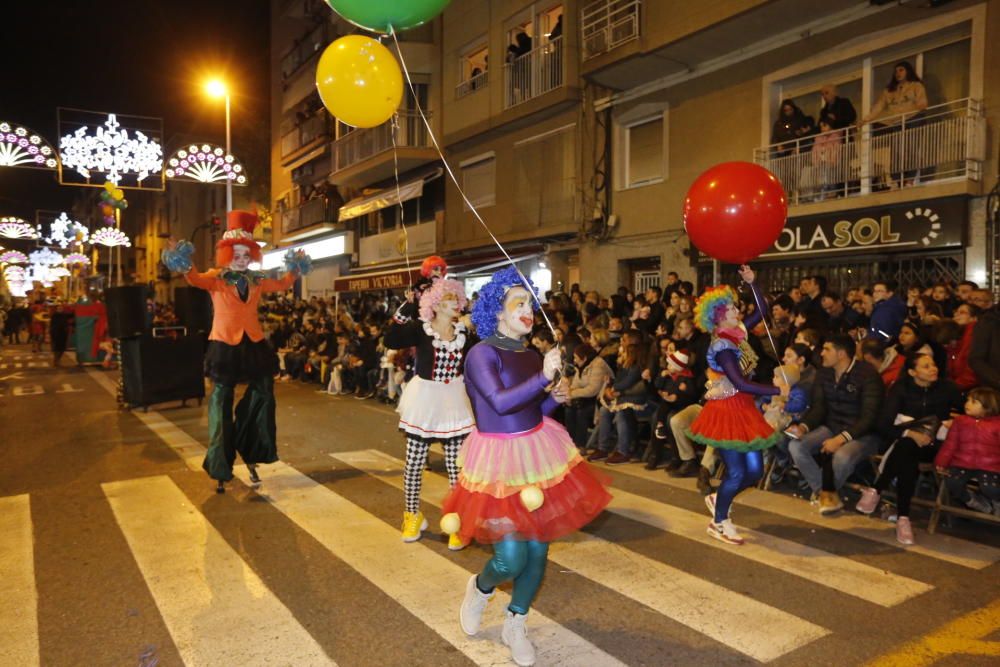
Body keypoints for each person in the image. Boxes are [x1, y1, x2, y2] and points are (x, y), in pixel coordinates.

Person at [442, 267, 611, 667]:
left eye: (529, 303)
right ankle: (481, 588)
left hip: (537, 454)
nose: (527, 310)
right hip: (497, 462)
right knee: (510, 559)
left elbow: (533, 409)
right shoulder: (481, 354)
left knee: (537, 551)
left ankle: (515, 621)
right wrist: (544, 379)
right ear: (496, 313)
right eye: (517, 304)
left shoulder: (532, 354)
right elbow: (500, 404)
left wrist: (556, 396)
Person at [160, 210, 308, 493]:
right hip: (224, 346)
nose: (241, 258)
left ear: (251, 254)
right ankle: (220, 465)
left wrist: (295, 269)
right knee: (220, 404)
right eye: (236, 253)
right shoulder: (217, 278)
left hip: (252, 344)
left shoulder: (256, 279)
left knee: (264, 395)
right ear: (228, 254)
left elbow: (282, 284)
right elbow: (195, 279)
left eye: (245, 253)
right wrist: (184, 263)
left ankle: (251, 447)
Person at [686, 266, 788, 545]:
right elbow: (741, 384)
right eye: (731, 309)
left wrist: (754, 283)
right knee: (738, 472)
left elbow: (763, 308)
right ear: (718, 316)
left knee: (753, 471)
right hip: (726, 412)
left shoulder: (737, 332)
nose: (737, 311)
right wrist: (777, 388)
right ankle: (719, 522)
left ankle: (719, 497)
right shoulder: (723, 346)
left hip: (744, 408)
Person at [384, 278, 476, 548]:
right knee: (414, 463)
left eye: (456, 300)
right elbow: (391, 338)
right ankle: (412, 515)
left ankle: (455, 520)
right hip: (424, 400)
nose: (455, 304)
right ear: (435, 304)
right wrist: (408, 306)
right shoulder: (420, 330)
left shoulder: (463, 333)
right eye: (448, 300)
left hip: (454, 401)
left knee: (455, 468)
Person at [855, 354, 963, 544]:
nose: (933, 369)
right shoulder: (902, 388)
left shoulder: (947, 388)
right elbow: (884, 424)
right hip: (904, 442)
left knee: (905, 453)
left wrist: (954, 422)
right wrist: (910, 434)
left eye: (934, 364)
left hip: (935, 444)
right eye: (926, 366)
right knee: (907, 453)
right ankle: (903, 518)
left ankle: (876, 489)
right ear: (913, 372)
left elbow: (973, 410)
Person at [787, 333, 884, 514]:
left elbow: (869, 417)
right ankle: (824, 493)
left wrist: (841, 439)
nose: (821, 353)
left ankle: (826, 494)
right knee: (796, 446)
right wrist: (803, 426)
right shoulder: (824, 373)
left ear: (841, 354)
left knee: (842, 456)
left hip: (863, 434)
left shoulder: (868, 375)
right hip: (832, 426)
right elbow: (818, 408)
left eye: (826, 349)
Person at [935, 387, 1000, 514]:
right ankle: (975, 502)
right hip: (962, 463)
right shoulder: (960, 421)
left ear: (988, 406)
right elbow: (950, 444)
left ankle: (997, 502)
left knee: (990, 488)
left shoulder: (997, 424)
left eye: (973, 402)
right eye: (967, 400)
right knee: (953, 483)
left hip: (990, 466)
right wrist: (941, 462)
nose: (967, 404)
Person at [564, 343, 613, 449]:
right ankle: (570, 442)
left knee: (582, 411)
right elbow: (575, 384)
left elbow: (593, 390)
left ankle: (580, 444)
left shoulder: (598, 365)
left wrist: (572, 394)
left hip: (598, 399)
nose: (574, 360)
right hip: (584, 398)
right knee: (569, 409)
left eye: (576, 358)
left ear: (584, 358)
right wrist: (569, 395)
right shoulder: (581, 366)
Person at [49, 302, 74, 367]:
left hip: (63, 333)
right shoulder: (54, 315)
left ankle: (58, 359)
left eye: (61, 308)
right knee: (57, 348)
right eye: (58, 308)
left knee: (62, 348)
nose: (60, 309)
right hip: (56, 333)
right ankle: (56, 360)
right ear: (56, 309)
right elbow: (52, 325)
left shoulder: (64, 315)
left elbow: (72, 315)